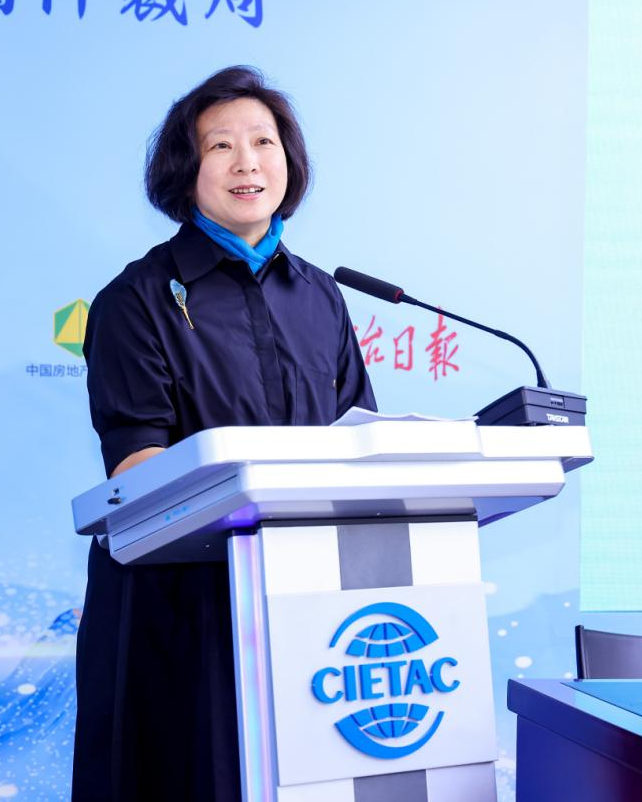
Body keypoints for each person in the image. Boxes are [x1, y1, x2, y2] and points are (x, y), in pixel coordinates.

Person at [72, 66, 377, 801]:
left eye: (264, 142)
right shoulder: (137, 299)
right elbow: (138, 466)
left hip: (311, 606)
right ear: (186, 170)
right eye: (221, 146)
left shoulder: (321, 295)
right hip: (184, 607)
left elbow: (356, 439)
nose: (248, 163)